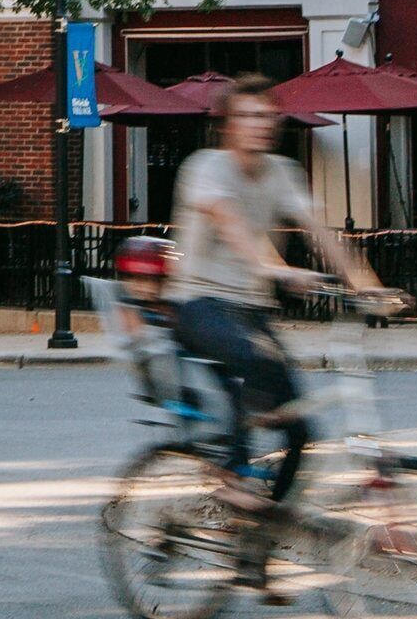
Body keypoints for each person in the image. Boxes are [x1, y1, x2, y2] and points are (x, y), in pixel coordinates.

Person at [165, 80, 396, 593]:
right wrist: (275, 268)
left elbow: (320, 231)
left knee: (299, 432)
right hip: (199, 304)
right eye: (247, 116)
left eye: (266, 116)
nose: (259, 125)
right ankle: (232, 477)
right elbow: (231, 224)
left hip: (252, 311)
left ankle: (256, 548)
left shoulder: (283, 172)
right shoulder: (206, 168)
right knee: (251, 360)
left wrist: (368, 285)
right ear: (227, 126)